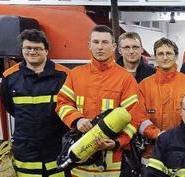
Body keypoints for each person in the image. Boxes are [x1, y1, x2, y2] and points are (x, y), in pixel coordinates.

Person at [56, 25, 148, 176]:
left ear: (113, 46)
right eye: (96, 42)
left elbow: (134, 118)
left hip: (112, 159)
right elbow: (62, 103)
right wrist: (77, 120)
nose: (100, 47)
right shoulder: (75, 75)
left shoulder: (125, 79)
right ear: (89, 45)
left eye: (105, 42)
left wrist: (118, 142)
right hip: (81, 155)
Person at [0, 29, 71, 176]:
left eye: (37, 48)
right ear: (22, 50)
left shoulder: (64, 75)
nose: (32, 52)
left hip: (56, 146)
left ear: (46, 50)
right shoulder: (10, 77)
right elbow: (10, 107)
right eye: (28, 48)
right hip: (25, 149)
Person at [138, 37, 185, 164]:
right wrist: (157, 134)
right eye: (160, 54)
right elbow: (139, 117)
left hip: (184, 150)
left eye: (169, 53)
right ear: (155, 57)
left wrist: (175, 135)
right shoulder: (144, 86)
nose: (165, 57)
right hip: (152, 152)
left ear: (176, 56)